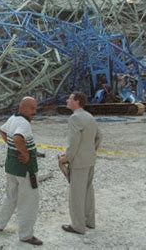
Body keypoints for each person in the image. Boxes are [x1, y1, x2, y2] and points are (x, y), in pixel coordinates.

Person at [0, 97, 43, 246]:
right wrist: (25, 153)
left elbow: (2, 131)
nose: (34, 112)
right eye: (32, 109)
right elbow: (17, 138)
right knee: (29, 202)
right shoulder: (24, 124)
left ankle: (0, 224)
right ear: (24, 108)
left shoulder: (12, 118)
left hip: (11, 166)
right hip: (25, 170)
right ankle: (26, 235)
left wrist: (14, 149)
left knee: (10, 197)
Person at [59, 91, 102, 235]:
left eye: (69, 98)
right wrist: (90, 151)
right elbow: (99, 136)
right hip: (89, 160)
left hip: (78, 163)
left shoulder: (75, 118)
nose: (67, 100)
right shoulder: (89, 116)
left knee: (76, 195)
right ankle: (90, 221)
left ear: (76, 101)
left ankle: (77, 226)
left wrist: (66, 158)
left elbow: (74, 143)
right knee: (88, 192)